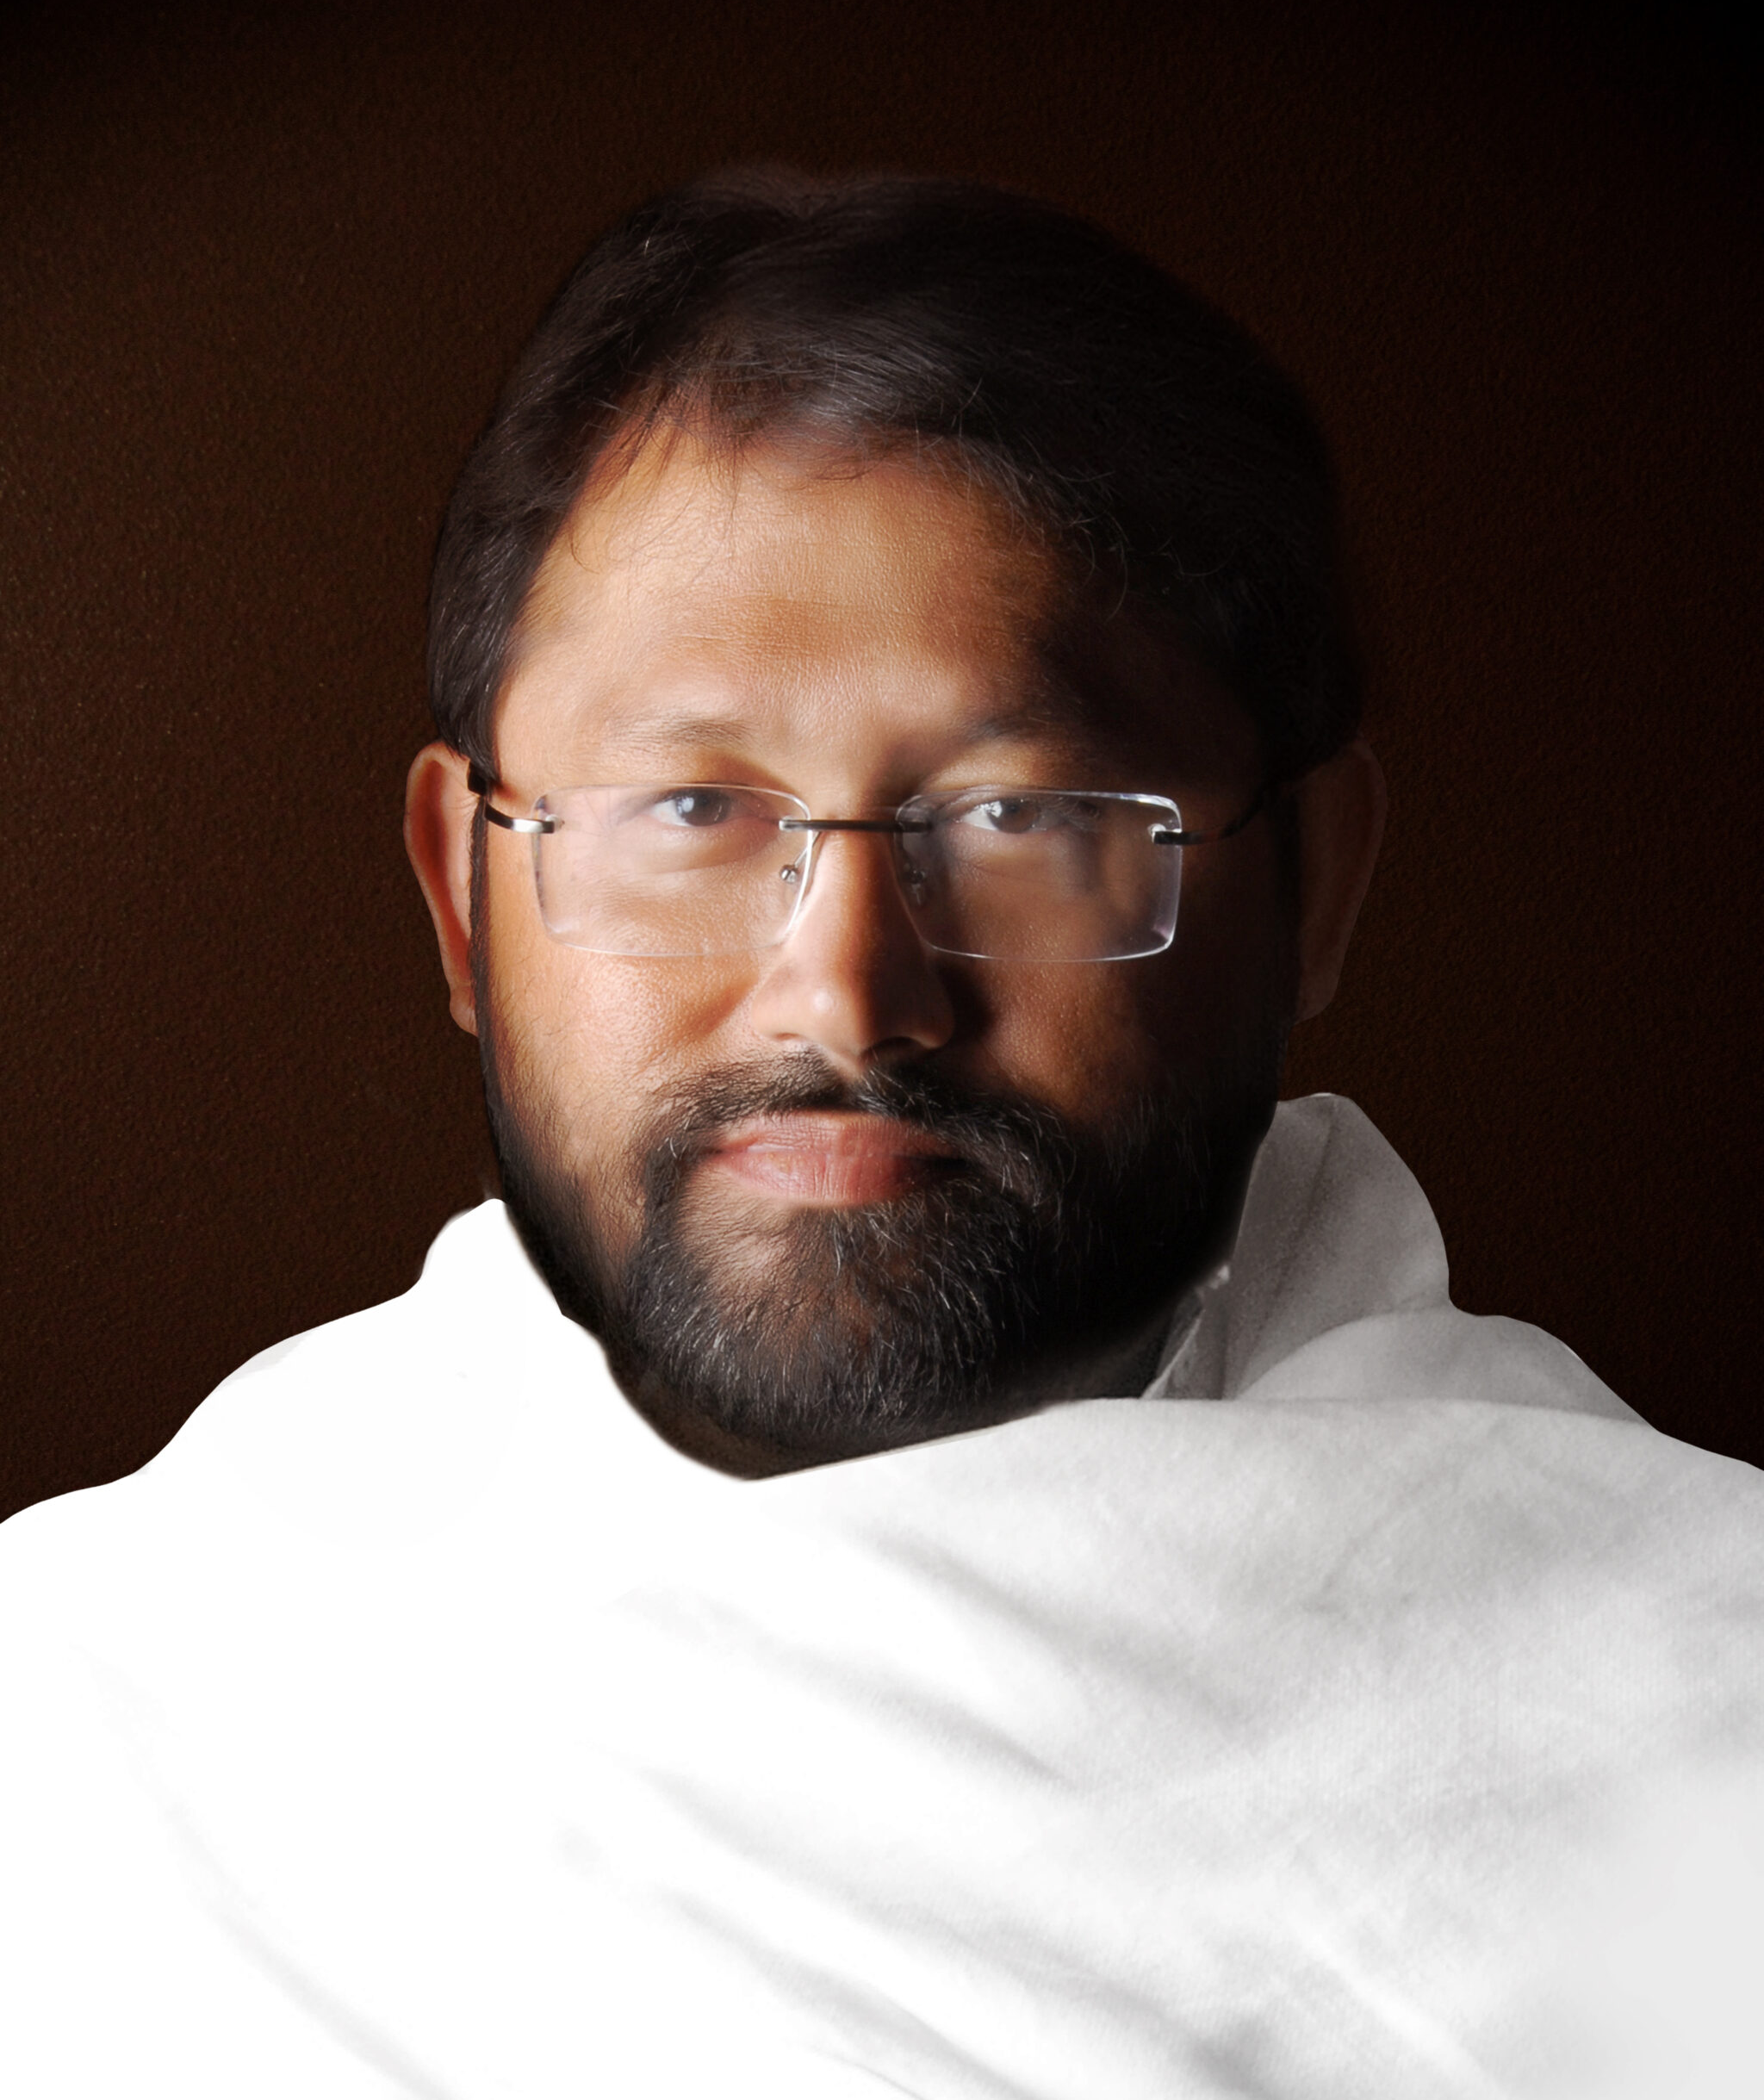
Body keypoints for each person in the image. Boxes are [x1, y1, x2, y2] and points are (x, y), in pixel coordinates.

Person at [2, 171, 1759, 2099]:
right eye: (693, 810)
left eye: (1019, 817)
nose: (844, 996)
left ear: (1314, 888)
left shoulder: (1703, 1709)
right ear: (461, 898)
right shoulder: (100, 1725)